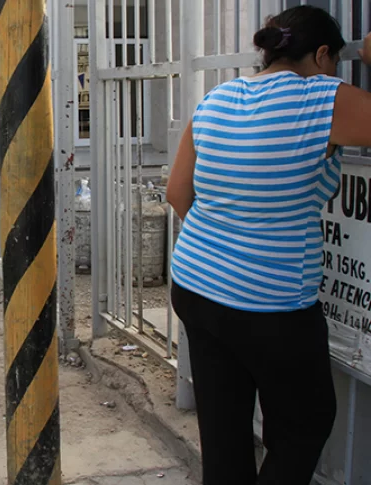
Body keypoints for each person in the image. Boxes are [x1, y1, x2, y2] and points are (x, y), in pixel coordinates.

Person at [167, 6, 371, 485]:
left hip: (195, 285)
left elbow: (179, 194)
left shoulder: (217, 99)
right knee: (304, 427)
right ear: (322, 55)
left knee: (223, 431)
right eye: (337, 62)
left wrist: (227, 241)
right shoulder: (320, 98)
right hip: (272, 306)